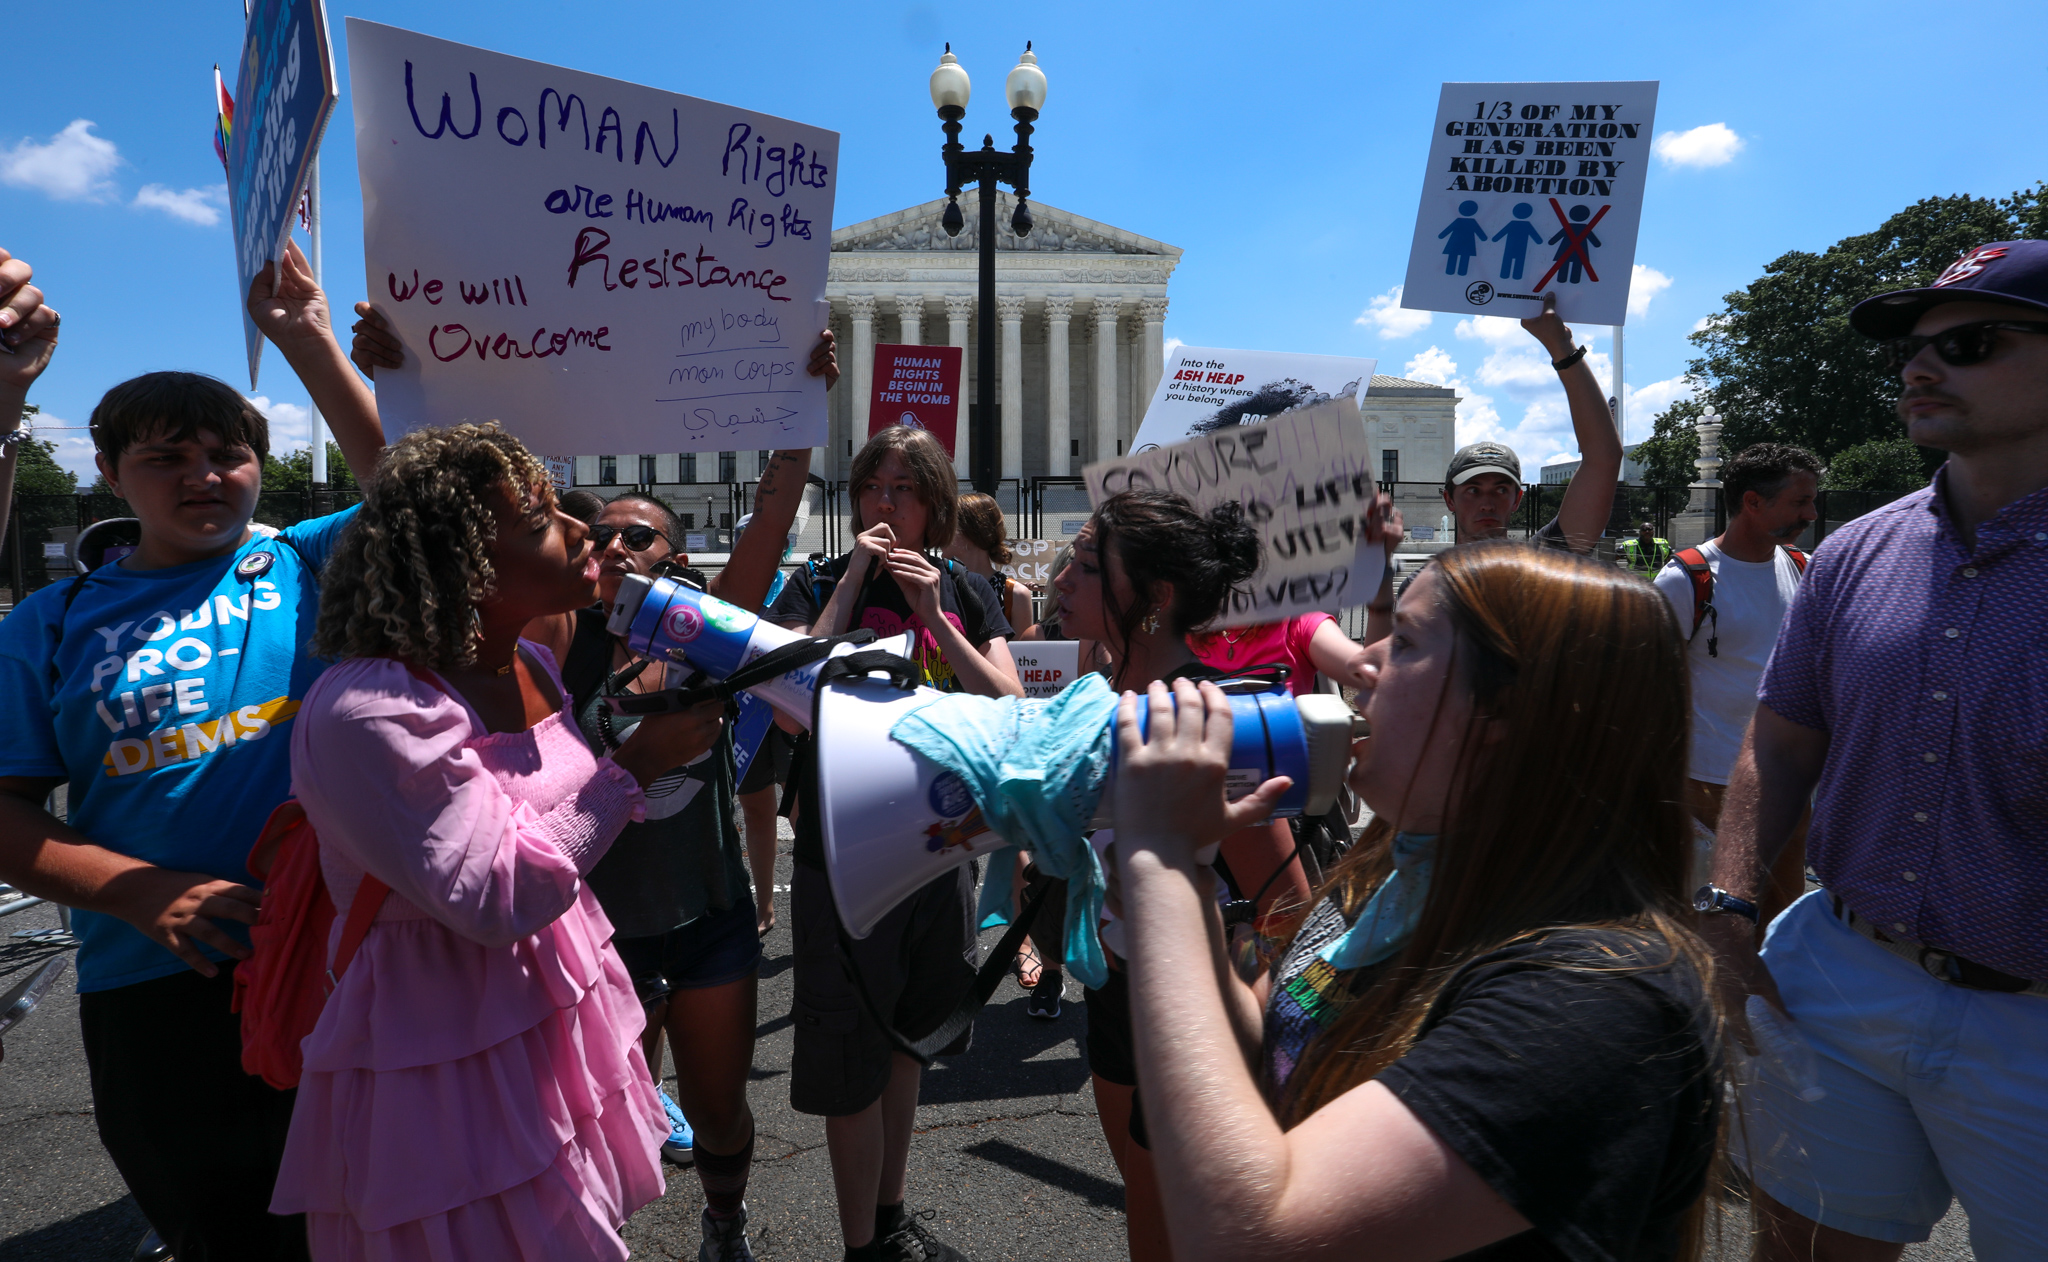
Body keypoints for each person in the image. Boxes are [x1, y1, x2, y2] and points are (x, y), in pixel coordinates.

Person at [354, 309, 838, 1262]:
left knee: (719, 1110)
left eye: (641, 539)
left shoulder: (710, 645)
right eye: (602, 532)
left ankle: (725, 1218)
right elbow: (445, 529)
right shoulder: (554, 649)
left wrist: (797, 409)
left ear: (677, 566)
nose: (615, 546)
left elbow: (773, 521)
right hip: (595, 926)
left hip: (706, 917)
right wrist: (399, 393)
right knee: (594, 1121)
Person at [1112, 541, 1721, 1261]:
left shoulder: (1597, 997)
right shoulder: (1387, 876)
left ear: (1505, 710)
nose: (1363, 664)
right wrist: (1194, 889)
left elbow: (1250, 1236)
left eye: (1403, 643)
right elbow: (1266, 1049)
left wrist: (1159, 860)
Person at [0, 241, 382, 1260]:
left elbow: (419, 498)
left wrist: (304, 335)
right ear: (109, 471)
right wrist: (134, 889)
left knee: (366, 1227)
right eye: (165, 456)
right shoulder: (51, 618)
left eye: (226, 452)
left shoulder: (307, 559)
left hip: (338, 961)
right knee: (223, 1235)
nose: (203, 475)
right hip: (151, 982)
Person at [272, 423, 725, 1259]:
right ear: (465, 564)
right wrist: (633, 769)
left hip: (548, 1015)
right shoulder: (373, 707)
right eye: (543, 519)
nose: (586, 529)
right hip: (445, 1045)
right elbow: (492, 895)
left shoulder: (529, 661)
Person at [1705, 241, 2048, 1262]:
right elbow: (1778, 733)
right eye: (1910, 348)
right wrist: (1725, 905)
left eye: (1969, 342)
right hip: (1840, 977)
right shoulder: (1856, 551)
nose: (1916, 367)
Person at [767, 424, 1022, 1262]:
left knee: (911, 1038)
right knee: (850, 1052)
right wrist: (852, 587)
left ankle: (890, 1212)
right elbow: (784, 696)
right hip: (840, 852)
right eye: (873, 487)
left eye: (903, 490)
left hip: (939, 846)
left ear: (934, 505)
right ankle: (856, 1244)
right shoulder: (814, 581)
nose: (885, 503)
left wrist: (934, 620)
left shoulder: (965, 592)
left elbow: (1005, 706)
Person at [1045, 489, 1314, 1262]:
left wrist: (1234, 1031)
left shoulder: (1215, 723)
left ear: (1156, 600)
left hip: (1197, 1018)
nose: (1064, 578)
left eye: (1091, 567)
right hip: (1115, 995)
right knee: (1147, 1218)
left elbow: (1290, 911)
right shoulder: (1097, 699)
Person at [1366, 291, 1620, 644]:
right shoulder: (1426, 585)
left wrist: (1563, 350)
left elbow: (1604, 459)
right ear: (1449, 500)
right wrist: (1378, 578)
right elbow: (1382, 673)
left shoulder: (1543, 563)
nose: (1487, 503)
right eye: (1473, 490)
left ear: (1517, 500)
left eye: (1500, 490)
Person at [1650, 442, 1818, 927]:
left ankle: (1764, 1003)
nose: (1811, 512)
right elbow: (1650, 686)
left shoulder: (1803, 568)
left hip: (1786, 783)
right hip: (1707, 784)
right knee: (1708, 925)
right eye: (1799, 501)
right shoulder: (1687, 579)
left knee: (1779, 922)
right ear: (1752, 502)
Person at [730, 508, 804, 939]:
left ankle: (818, 903)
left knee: (799, 811)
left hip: (788, 712)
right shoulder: (728, 592)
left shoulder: (794, 588)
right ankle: (765, 906)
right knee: (757, 811)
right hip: (745, 712)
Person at [943, 491, 1036, 634]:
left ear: (970, 533)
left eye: (948, 528)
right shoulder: (938, 587)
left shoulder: (1014, 594)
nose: (938, 534)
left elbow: (1019, 655)